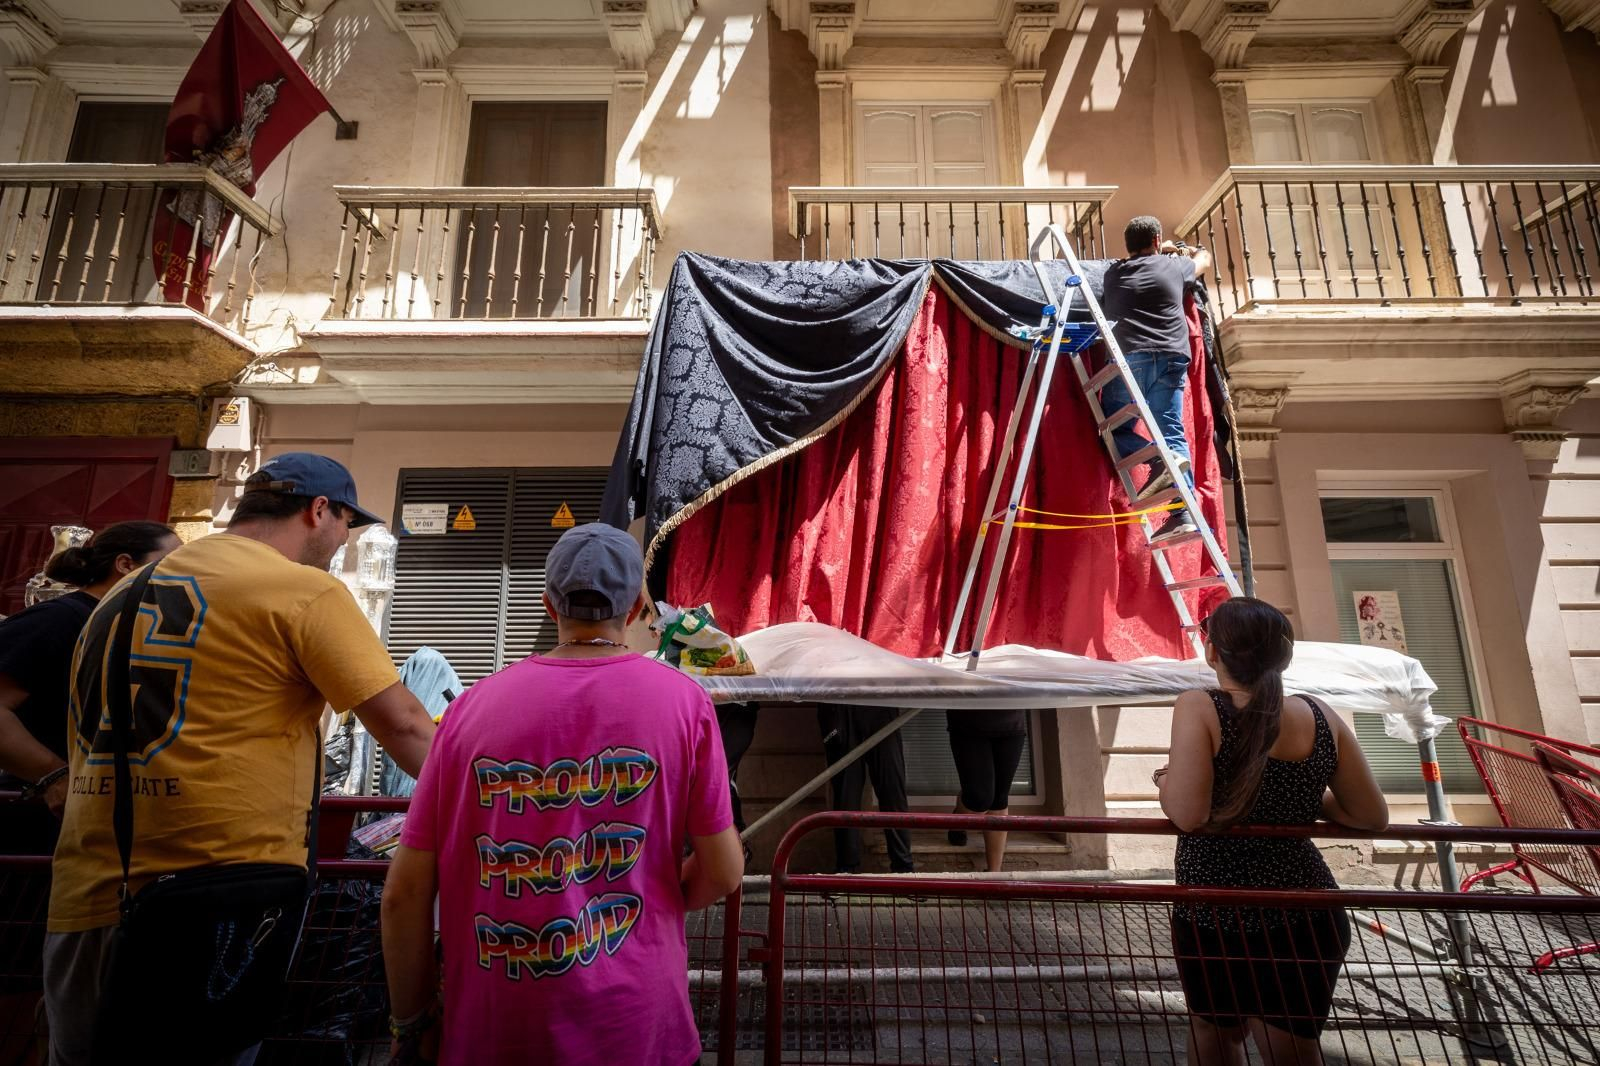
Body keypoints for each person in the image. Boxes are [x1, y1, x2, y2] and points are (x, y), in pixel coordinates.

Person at [44, 453, 438, 1066]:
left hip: (82, 892)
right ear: (318, 511)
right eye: (345, 526)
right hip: (213, 902)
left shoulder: (121, 591)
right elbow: (407, 726)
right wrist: (499, 803)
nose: (341, 543)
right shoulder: (302, 591)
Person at [381, 523, 744, 1066]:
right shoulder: (684, 705)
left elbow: (403, 895)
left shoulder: (469, 712)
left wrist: (411, 1022)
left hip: (494, 1029)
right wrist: (650, 903)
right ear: (639, 607)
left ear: (549, 605)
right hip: (638, 1030)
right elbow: (722, 869)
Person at [1155, 597, 1388, 1066]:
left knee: (1216, 1033)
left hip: (1217, 913)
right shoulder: (1319, 715)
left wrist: (1164, 781)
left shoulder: (1200, 707)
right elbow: (1371, 816)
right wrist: (1297, 797)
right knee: (1292, 1052)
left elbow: (1188, 814)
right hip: (1308, 911)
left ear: (1214, 652)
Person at [0, 522, 180, 855]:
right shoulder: (57, 619)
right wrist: (52, 776)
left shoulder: (126, 626)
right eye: (172, 562)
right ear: (125, 564)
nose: (181, 574)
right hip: (33, 823)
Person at [1098, 215, 1213, 545]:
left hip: (1131, 357)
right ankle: (1184, 514)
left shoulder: (1114, 273)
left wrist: (1160, 250)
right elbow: (1203, 258)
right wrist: (1181, 248)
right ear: (1156, 238)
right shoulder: (1173, 268)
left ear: (1128, 245)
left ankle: (1155, 460)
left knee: (1115, 428)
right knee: (1170, 429)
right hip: (1171, 358)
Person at [817, 704, 914, 873]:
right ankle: (846, 870)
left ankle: (903, 869)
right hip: (839, 705)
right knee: (846, 795)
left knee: (892, 790)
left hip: (879, 701)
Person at [944, 708, 1027, 872]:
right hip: (968, 722)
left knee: (999, 799)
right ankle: (957, 820)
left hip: (1012, 723)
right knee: (979, 799)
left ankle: (994, 874)